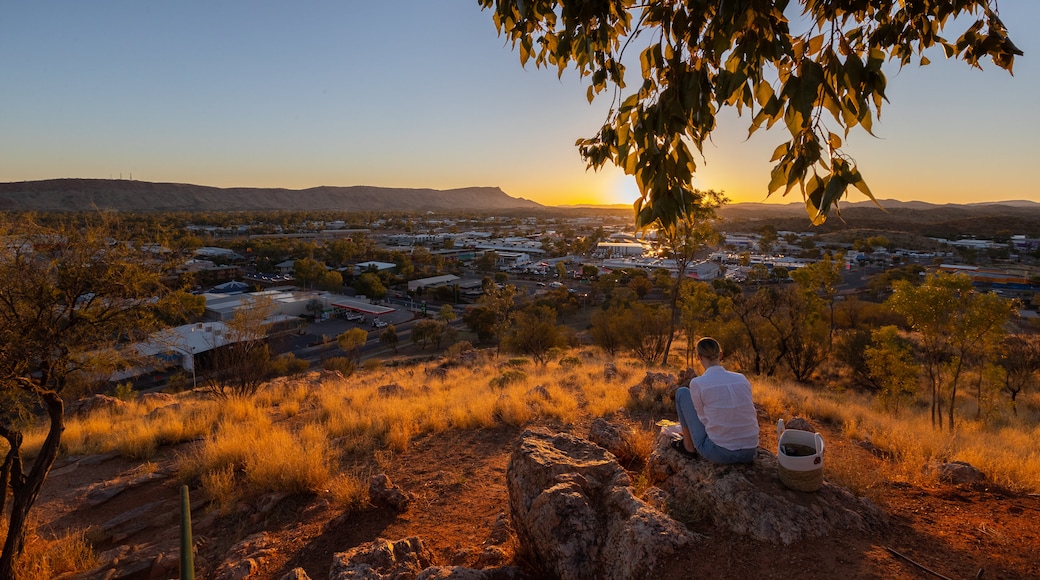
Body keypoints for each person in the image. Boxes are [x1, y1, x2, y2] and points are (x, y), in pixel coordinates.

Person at [673, 337, 759, 464]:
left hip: (721, 453)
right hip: (750, 452)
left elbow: (703, 419)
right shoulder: (741, 378)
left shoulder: (698, 383)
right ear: (720, 355)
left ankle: (688, 446)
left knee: (681, 393)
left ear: (699, 357)